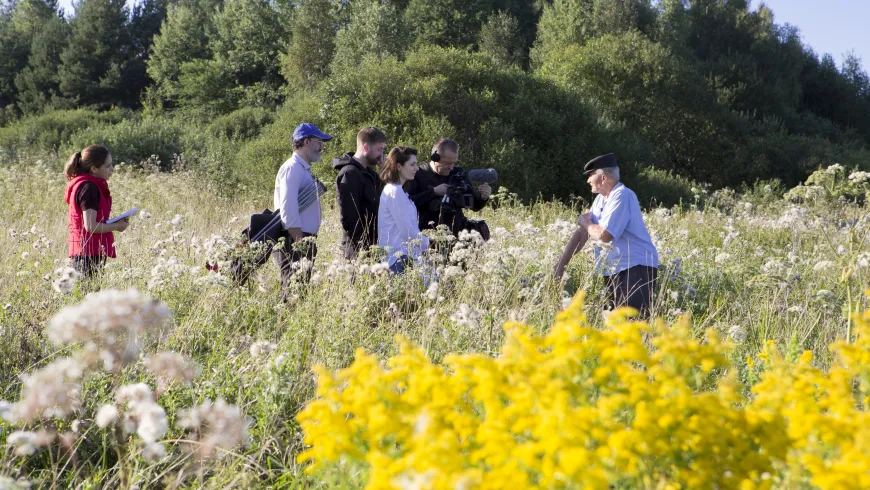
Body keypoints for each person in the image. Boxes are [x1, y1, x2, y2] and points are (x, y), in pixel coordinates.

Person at [554, 153, 659, 315]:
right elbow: (584, 233)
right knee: (613, 325)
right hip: (614, 270)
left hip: (635, 269)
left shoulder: (622, 196)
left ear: (603, 178)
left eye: (590, 175)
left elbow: (604, 235)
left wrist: (584, 221)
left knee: (631, 326)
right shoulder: (601, 200)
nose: (588, 180)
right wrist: (561, 264)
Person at [273, 123, 331, 297]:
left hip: (301, 238)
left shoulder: (301, 168)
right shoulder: (292, 168)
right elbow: (287, 209)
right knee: (293, 292)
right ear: (306, 142)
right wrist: (299, 241)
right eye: (319, 141)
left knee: (300, 291)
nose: (322, 146)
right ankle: (284, 323)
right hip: (294, 239)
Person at [405, 138, 492, 238]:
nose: (451, 167)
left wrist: (483, 197)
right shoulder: (418, 174)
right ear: (435, 157)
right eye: (447, 163)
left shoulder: (458, 173)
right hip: (428, 238)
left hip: (457, 237)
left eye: (453, 163)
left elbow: (474, 206)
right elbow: (407, 203)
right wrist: (433, 192)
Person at [64, 145, 129, 278]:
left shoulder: (85, 184)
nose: (112, 169)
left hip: (86, 252)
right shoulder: (89, 187)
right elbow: (91, 226)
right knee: (86, 296)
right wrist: (117, 226)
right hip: (88, 255)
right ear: (94, 168)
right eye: (107, 166)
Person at [333, 127, 387, 260]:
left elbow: (383, 201)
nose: (382, 155)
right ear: (366, 147)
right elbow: (349, 217)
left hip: (373, 245)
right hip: (357, 249)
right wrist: (362, 248)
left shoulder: (371, 173)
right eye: (379, 149)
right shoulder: (350, 173)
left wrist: (383, 171)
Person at [378, 146, 429, 274]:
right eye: (412, 164)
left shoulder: (398, 190)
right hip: (398, 259)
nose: (416, 168)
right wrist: (429, 242)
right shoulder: (394, 192)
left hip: (404, 256)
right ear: (399, 166)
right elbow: (407, 231)